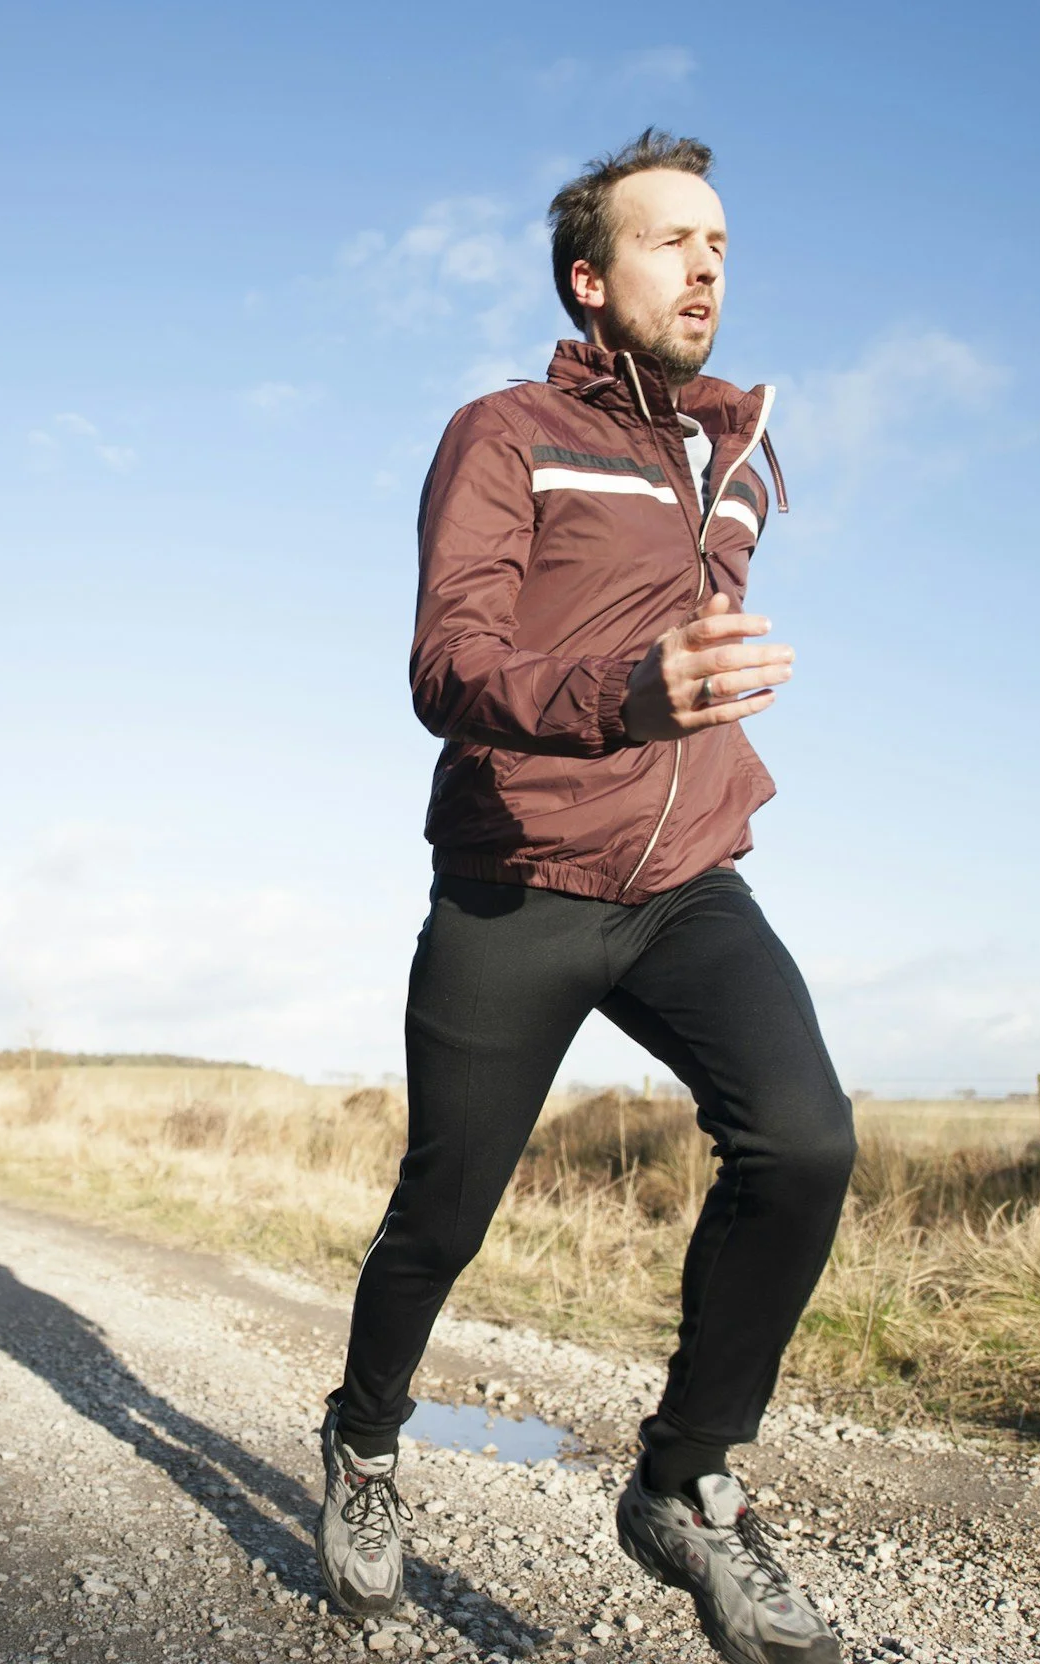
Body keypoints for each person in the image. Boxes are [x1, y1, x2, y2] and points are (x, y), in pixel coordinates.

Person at [314, 129, 855, 1664]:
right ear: (589, 274)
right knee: (445, 1209)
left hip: (689, 877)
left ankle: (685, 1486)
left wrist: (694, 697)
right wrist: (630, 689)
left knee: (806, 1141)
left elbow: (698, 644)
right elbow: (449, 664)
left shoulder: (736, 458)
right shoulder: (504, 433)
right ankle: (363, 1438)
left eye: (724, 245)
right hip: (519, 879)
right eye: (672, 240)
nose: (706, 267)